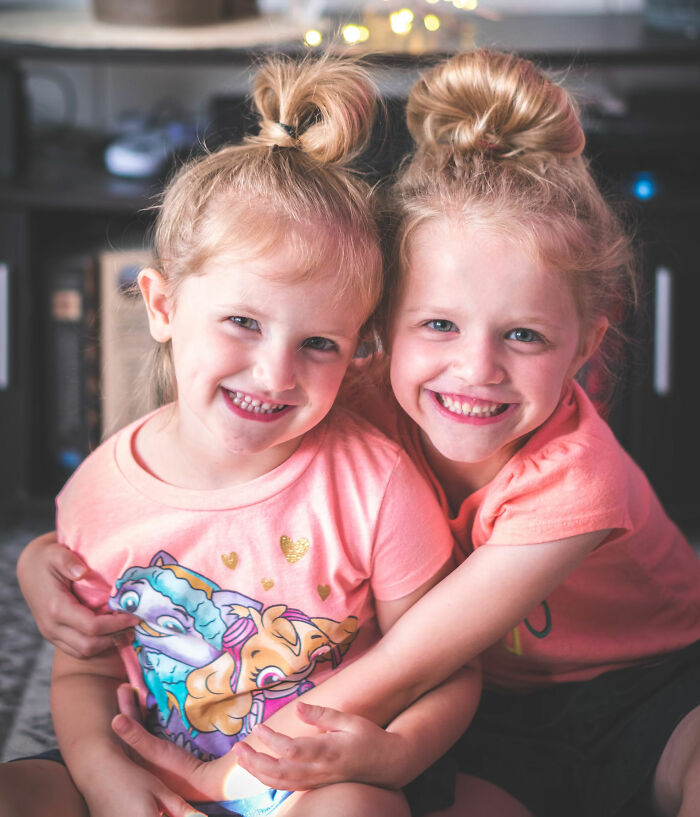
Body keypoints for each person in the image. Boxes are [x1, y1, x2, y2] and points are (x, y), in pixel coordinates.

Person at [16, 48, 700, 817]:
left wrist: (226, 780)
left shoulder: (579, 478)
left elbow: (414, 659)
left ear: (584, 345)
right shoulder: (341, 394)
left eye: (526, 337)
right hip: (489, 716)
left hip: (651, 684)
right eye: (438, 324)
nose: (475, 370)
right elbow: (161, 512)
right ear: (380, 333)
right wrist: (44, 558)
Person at [0, 54, 481, 817]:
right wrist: (104, 778)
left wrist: (398, 751)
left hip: (314, 785)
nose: (274, 372)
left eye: (319, 344)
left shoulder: (377, 484)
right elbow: (82, 675)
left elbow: (443, 667)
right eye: (243, 322)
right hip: (148, 767)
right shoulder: (98, 491)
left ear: (358, 348)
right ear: (160, 305)